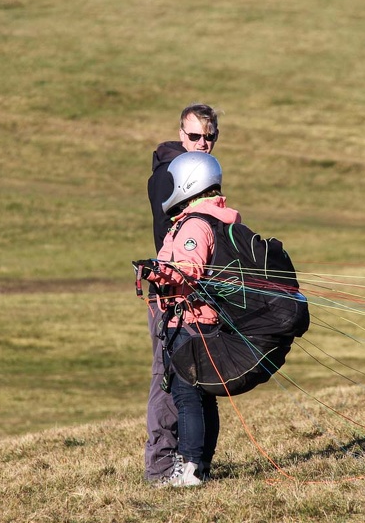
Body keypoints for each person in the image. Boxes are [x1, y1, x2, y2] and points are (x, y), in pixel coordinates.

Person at [136, 151, 239, 487]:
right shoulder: (219, 219)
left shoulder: (195, 223)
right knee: (203, 395)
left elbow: (189, 269)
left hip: (192, 322)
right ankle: (202, 465)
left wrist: (158, 273)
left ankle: (191, 468)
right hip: (209, 321)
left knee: (187, 394)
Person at [143, 104, 219, 484]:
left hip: (197, 299)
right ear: (180, 132)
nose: (202, 144)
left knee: (201, 384)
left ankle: (195, 462)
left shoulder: (199, 172)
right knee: (170, 380)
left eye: (209, 137)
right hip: (174, 298)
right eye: (194, 136)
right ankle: (162, 468)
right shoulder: (169, 177)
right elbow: (178, 244)